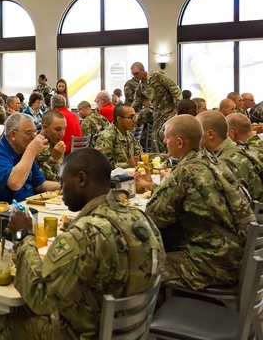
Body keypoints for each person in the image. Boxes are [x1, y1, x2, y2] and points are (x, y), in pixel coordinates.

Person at [0, 148, 165, 340]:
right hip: (127, 328)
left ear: (81, 179)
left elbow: (39, 299)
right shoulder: (141, 218)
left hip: (80, 333)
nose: (61, 191)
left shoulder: (83, 235)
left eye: (62, 183)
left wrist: (23, 235)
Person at [134, 114, 254, 290]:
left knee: (137, 269)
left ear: (180, 142)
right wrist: (152, 186)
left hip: (212, 264)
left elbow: (154, 219)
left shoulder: (183, 172)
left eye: (167, 138)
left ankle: (161, 314)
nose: (165, 142)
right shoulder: (213, 162)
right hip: (235, 256)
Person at [0, 113, 60, 208]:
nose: (34, 136)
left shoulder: (22, 152)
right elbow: (15, 183)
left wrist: (65, 187)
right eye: (29, 132)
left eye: (35, 132)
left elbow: (40, 185)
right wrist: (32, 150)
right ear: (13, 135)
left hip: (24, 208)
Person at [197, 110, 263, 202]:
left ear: (210, 134)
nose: (194, 137)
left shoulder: (226, 162)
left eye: (197, 133)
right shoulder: (241, 149)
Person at [130, 62, 182, 145]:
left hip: (170, 112)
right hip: (157, 114)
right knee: (156, 140)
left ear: (143, 70)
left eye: (136, 73)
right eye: (133, 75)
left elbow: (174, 89)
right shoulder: (141, 87)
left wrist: (176, 107)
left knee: (169, 137)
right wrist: (129, 113)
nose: (135, 76)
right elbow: (137, 102)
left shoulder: (157, 76)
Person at [94, 104, 142, 169]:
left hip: (128, 175)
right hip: (112, 178)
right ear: (119, 119)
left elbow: (140, 155)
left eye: (135, 117)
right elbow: (102, 164)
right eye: (131, 117)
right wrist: (127, 164)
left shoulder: (128, 134)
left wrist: (159, 156)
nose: (135, 121)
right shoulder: (106, 137)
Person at [35, 110, 66, 181]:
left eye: (64, 129)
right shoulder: (34, 145)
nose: (62, 134)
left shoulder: (55, 142)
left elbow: (59, 173)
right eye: (58, 129)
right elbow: (36, 179)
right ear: (45, 128)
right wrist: (54, 159)